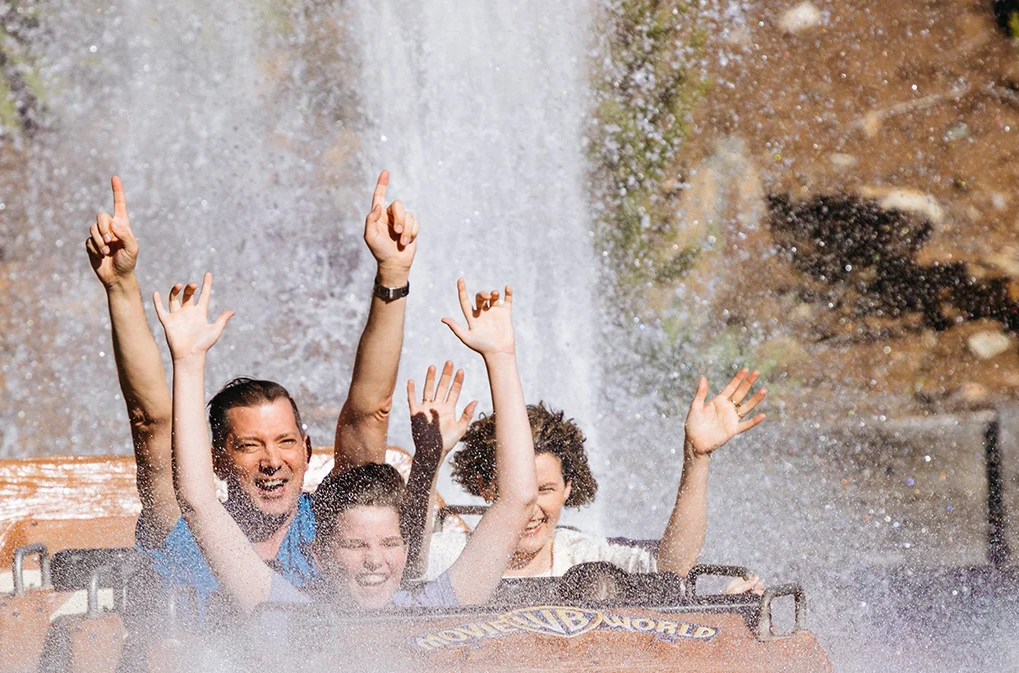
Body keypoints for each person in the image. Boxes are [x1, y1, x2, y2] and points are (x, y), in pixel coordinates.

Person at [83, 173, 419, 596]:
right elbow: (150, 421)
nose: (272, 461)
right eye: (249, 445)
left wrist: (392, 273)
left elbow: (370, 413)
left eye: (284, 441)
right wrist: (120, 285)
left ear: (307, 449)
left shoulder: (337, 522)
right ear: (217, 461)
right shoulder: (186, 532)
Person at [157, 274, 535, 613]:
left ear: (406, 550)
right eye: (355, 546)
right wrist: (188, 363)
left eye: (390, 543)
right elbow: (198, 503)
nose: (375, 560)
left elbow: (516, 501)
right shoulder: (288, 618)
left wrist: (502, 357)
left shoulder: (430, 610)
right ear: (319, 555)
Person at [418, 369, 768, 588]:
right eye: (515, 490)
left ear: (568, 489)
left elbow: (670, 566)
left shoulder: (583, 555)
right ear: (485, 488)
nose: (530, 505)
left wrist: (697, 458)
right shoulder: (449, 555)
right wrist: (428, 459)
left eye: (545, 489)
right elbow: (403, 565)